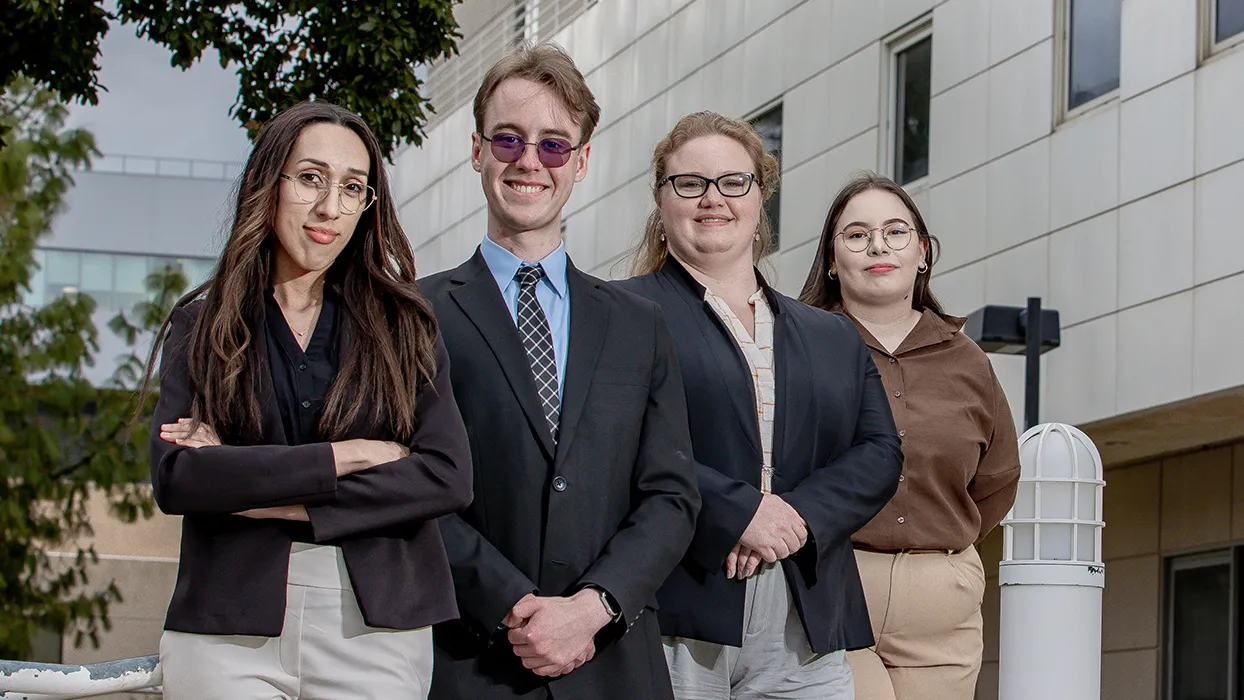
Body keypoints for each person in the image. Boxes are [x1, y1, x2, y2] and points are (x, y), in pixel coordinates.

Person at [141, 101, 473, 700]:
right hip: (226, 630)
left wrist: (257, 494)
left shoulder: (406, 328)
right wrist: (350, 456)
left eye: (353, 188)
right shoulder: (202, 326)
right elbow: (181, 479)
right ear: (268, 182)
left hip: (375, 629)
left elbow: (446, 478)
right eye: (311, 179)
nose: (331, 208)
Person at [421, 42, 701, 700]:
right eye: (509, 139)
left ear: (581, 162)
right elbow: (407, 488)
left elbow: (672, 496)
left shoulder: (639, 326)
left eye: (552, 145)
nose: (528, 162)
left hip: (614, 667)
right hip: (470, 664)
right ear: (476, 150)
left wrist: (592, 609)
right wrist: (515, 606)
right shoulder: (413, 315)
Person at [616, 111, 904, 699]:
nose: (712, 199)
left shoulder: (830, 334)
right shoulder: (617, 314)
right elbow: (611, 444)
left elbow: (880, 453)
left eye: (733, 182)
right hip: (673, 607)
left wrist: (790, 518)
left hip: (804, 617)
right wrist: (737, 511)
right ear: (661, 199)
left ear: (761, 194)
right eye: (689, 183)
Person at [798, 171, 1021, 700]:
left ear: (922, 252)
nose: (878, 245)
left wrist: (939, 551)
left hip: (943, 605)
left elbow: (997, 478)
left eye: (896, 232)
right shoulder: (800, 348)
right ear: (832, 259)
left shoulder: (968, 360)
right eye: (856, 234)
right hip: (834, 587)